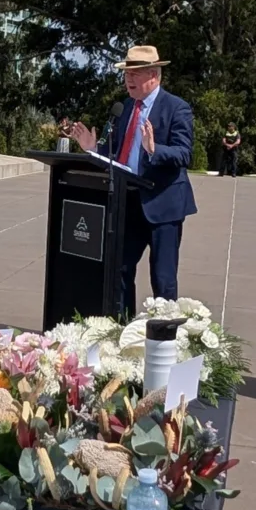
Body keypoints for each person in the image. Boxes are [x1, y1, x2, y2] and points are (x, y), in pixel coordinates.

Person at [67, 46, 197, 314]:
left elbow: (184, 153)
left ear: (154, 75)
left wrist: (154, 149)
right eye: (126, 73)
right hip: (128, 202)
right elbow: (114, 152)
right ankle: (122, 332)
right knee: (120, 269)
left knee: (163, 279)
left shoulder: (177, 108)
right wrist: (93, 148)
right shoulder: (124, 107)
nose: (129, 79)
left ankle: (163, 341)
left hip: (163, 205)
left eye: (135, 73)